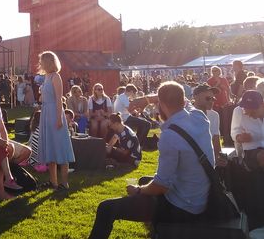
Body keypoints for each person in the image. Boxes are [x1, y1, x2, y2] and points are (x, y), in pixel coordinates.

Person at [88, 81, 214, 239]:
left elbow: (161, 186)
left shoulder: (170, 136)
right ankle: (157, 232)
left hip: (183, 208)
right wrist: (151, 99)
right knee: (144, 180)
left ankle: (161, 229)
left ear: (161, 104)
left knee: (106, 208)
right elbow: (184, 101)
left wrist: (138, 190)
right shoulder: (199, 117)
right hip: (200, 196)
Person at [37, 51, 75, 190]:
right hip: (46, 113)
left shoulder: (55, 77)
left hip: (54, 113)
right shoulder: (46, 77)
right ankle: (53, 182)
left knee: (60, 146)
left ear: (48, 62)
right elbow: (44, 97)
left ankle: (64, 183)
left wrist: (59, 118)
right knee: (50, 148)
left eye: (42, 61)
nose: (40, 64)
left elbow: (59, 99)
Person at [230, 89, 264, 170]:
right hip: (248, 150)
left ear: (262, 105)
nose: (249, 115)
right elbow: (234, 132)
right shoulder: (238, 111)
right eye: (246, 110)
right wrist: (239, 137)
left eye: (253, 112)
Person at [192, 84, 222, 161]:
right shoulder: (187, 115)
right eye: (208, 98)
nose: (211, 101)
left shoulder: (214, 115)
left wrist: (218, 157)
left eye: (213, 99)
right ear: (195, 97)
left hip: (209, 160)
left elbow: (216, 138)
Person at [207, 65, 234, 146]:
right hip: (214, 103)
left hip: (224, 102)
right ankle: (217, 140)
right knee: (216, 122)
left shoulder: (223, 79)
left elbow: (228, 90)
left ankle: (226, 140)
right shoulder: (210, 80)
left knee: (225, 121)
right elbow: (209, 91)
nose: (215, 72)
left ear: (219, 71)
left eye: (216, 70)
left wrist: (229, 99)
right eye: (213, 70)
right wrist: (217, 84)